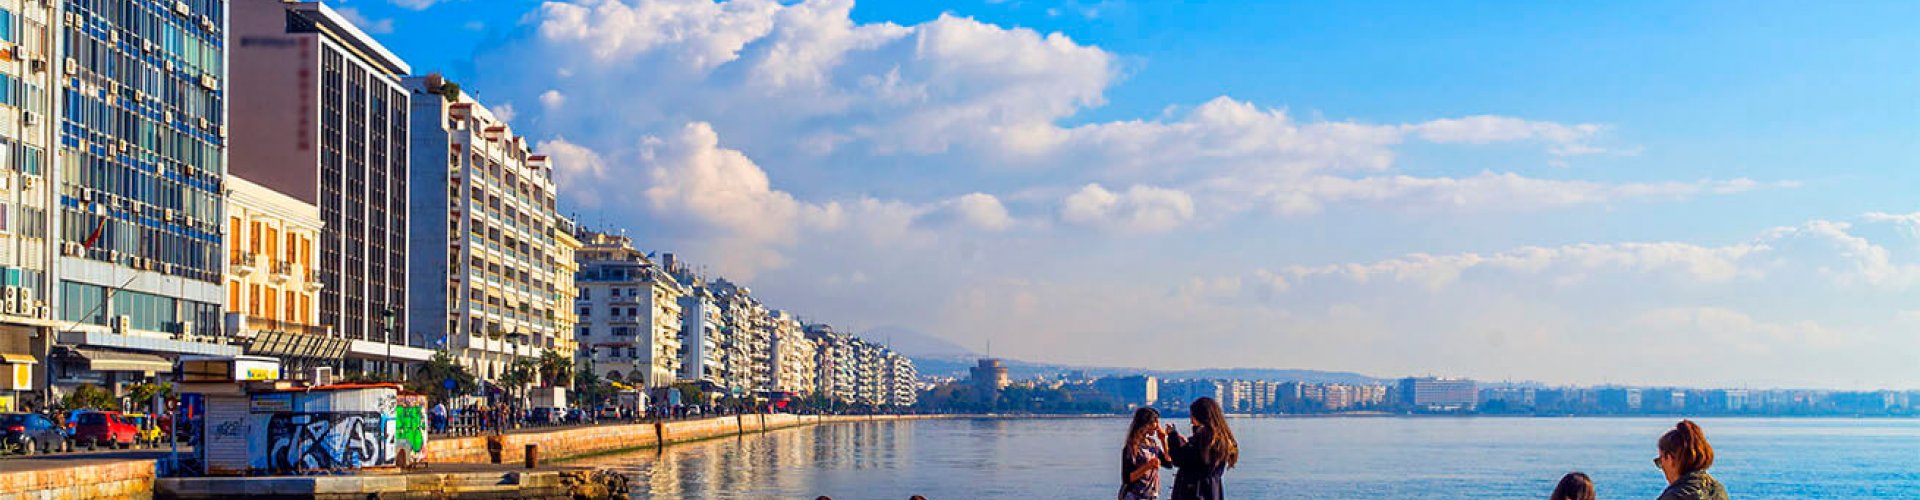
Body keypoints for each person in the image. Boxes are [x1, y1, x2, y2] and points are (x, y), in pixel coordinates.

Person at [1165, 397, 1237, 500]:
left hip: (1194, 492)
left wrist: (1172, 436)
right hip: (1213, 490)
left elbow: (1180, 459)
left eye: (1192, 416)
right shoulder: (1222, 439)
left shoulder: (1204, 439)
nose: (1191, 420)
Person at [1654, 420, 1727, 500]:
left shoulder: (1674, 496)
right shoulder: (1717, 490)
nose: (1662, 469)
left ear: (1670, 459)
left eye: (1660, 462)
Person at [1120, 407, 1173, 500]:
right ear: (1145, 424)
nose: (1157, 426)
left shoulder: (1152, 444)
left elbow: (1169, 463)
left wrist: (1163, 440)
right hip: (1135, 496)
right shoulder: (1131, 448)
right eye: (1155, 422)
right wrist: (1148, 466)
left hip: (1151, 496)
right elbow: (1127, 478)